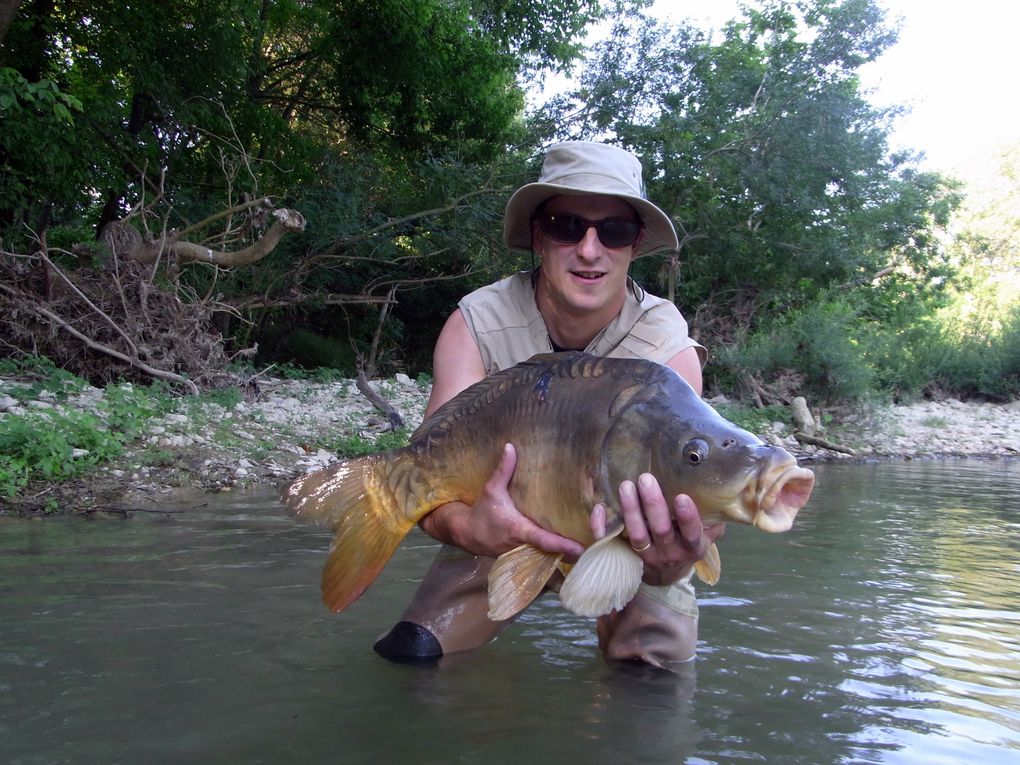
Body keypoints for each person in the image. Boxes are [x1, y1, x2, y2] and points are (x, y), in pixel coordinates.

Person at [373, 141, 725, 668]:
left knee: (654, 677)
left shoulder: (667, 352)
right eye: (567, 225)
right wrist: (470, 529)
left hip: (626, 547)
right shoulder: (476, 324)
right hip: (499, 534)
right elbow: (424, 477)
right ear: (538, 236)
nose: (589, 249)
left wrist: (673, 561)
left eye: (614, 231)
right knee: (413, 656)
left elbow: (692, 502)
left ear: (635, 245)